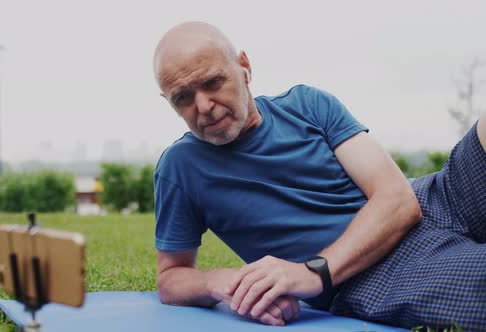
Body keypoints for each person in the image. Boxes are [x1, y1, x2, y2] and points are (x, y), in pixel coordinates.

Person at [152, 21, 486, 330]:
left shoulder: (308, 104)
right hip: (377, 274)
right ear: (169, 103)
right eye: (184, 98)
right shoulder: (180, 168)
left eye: (212, 82)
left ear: (244, 67)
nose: (205, 105)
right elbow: (171, 276)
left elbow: (398, 199)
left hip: (436, 198)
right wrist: (223, 283)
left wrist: (312, 272)